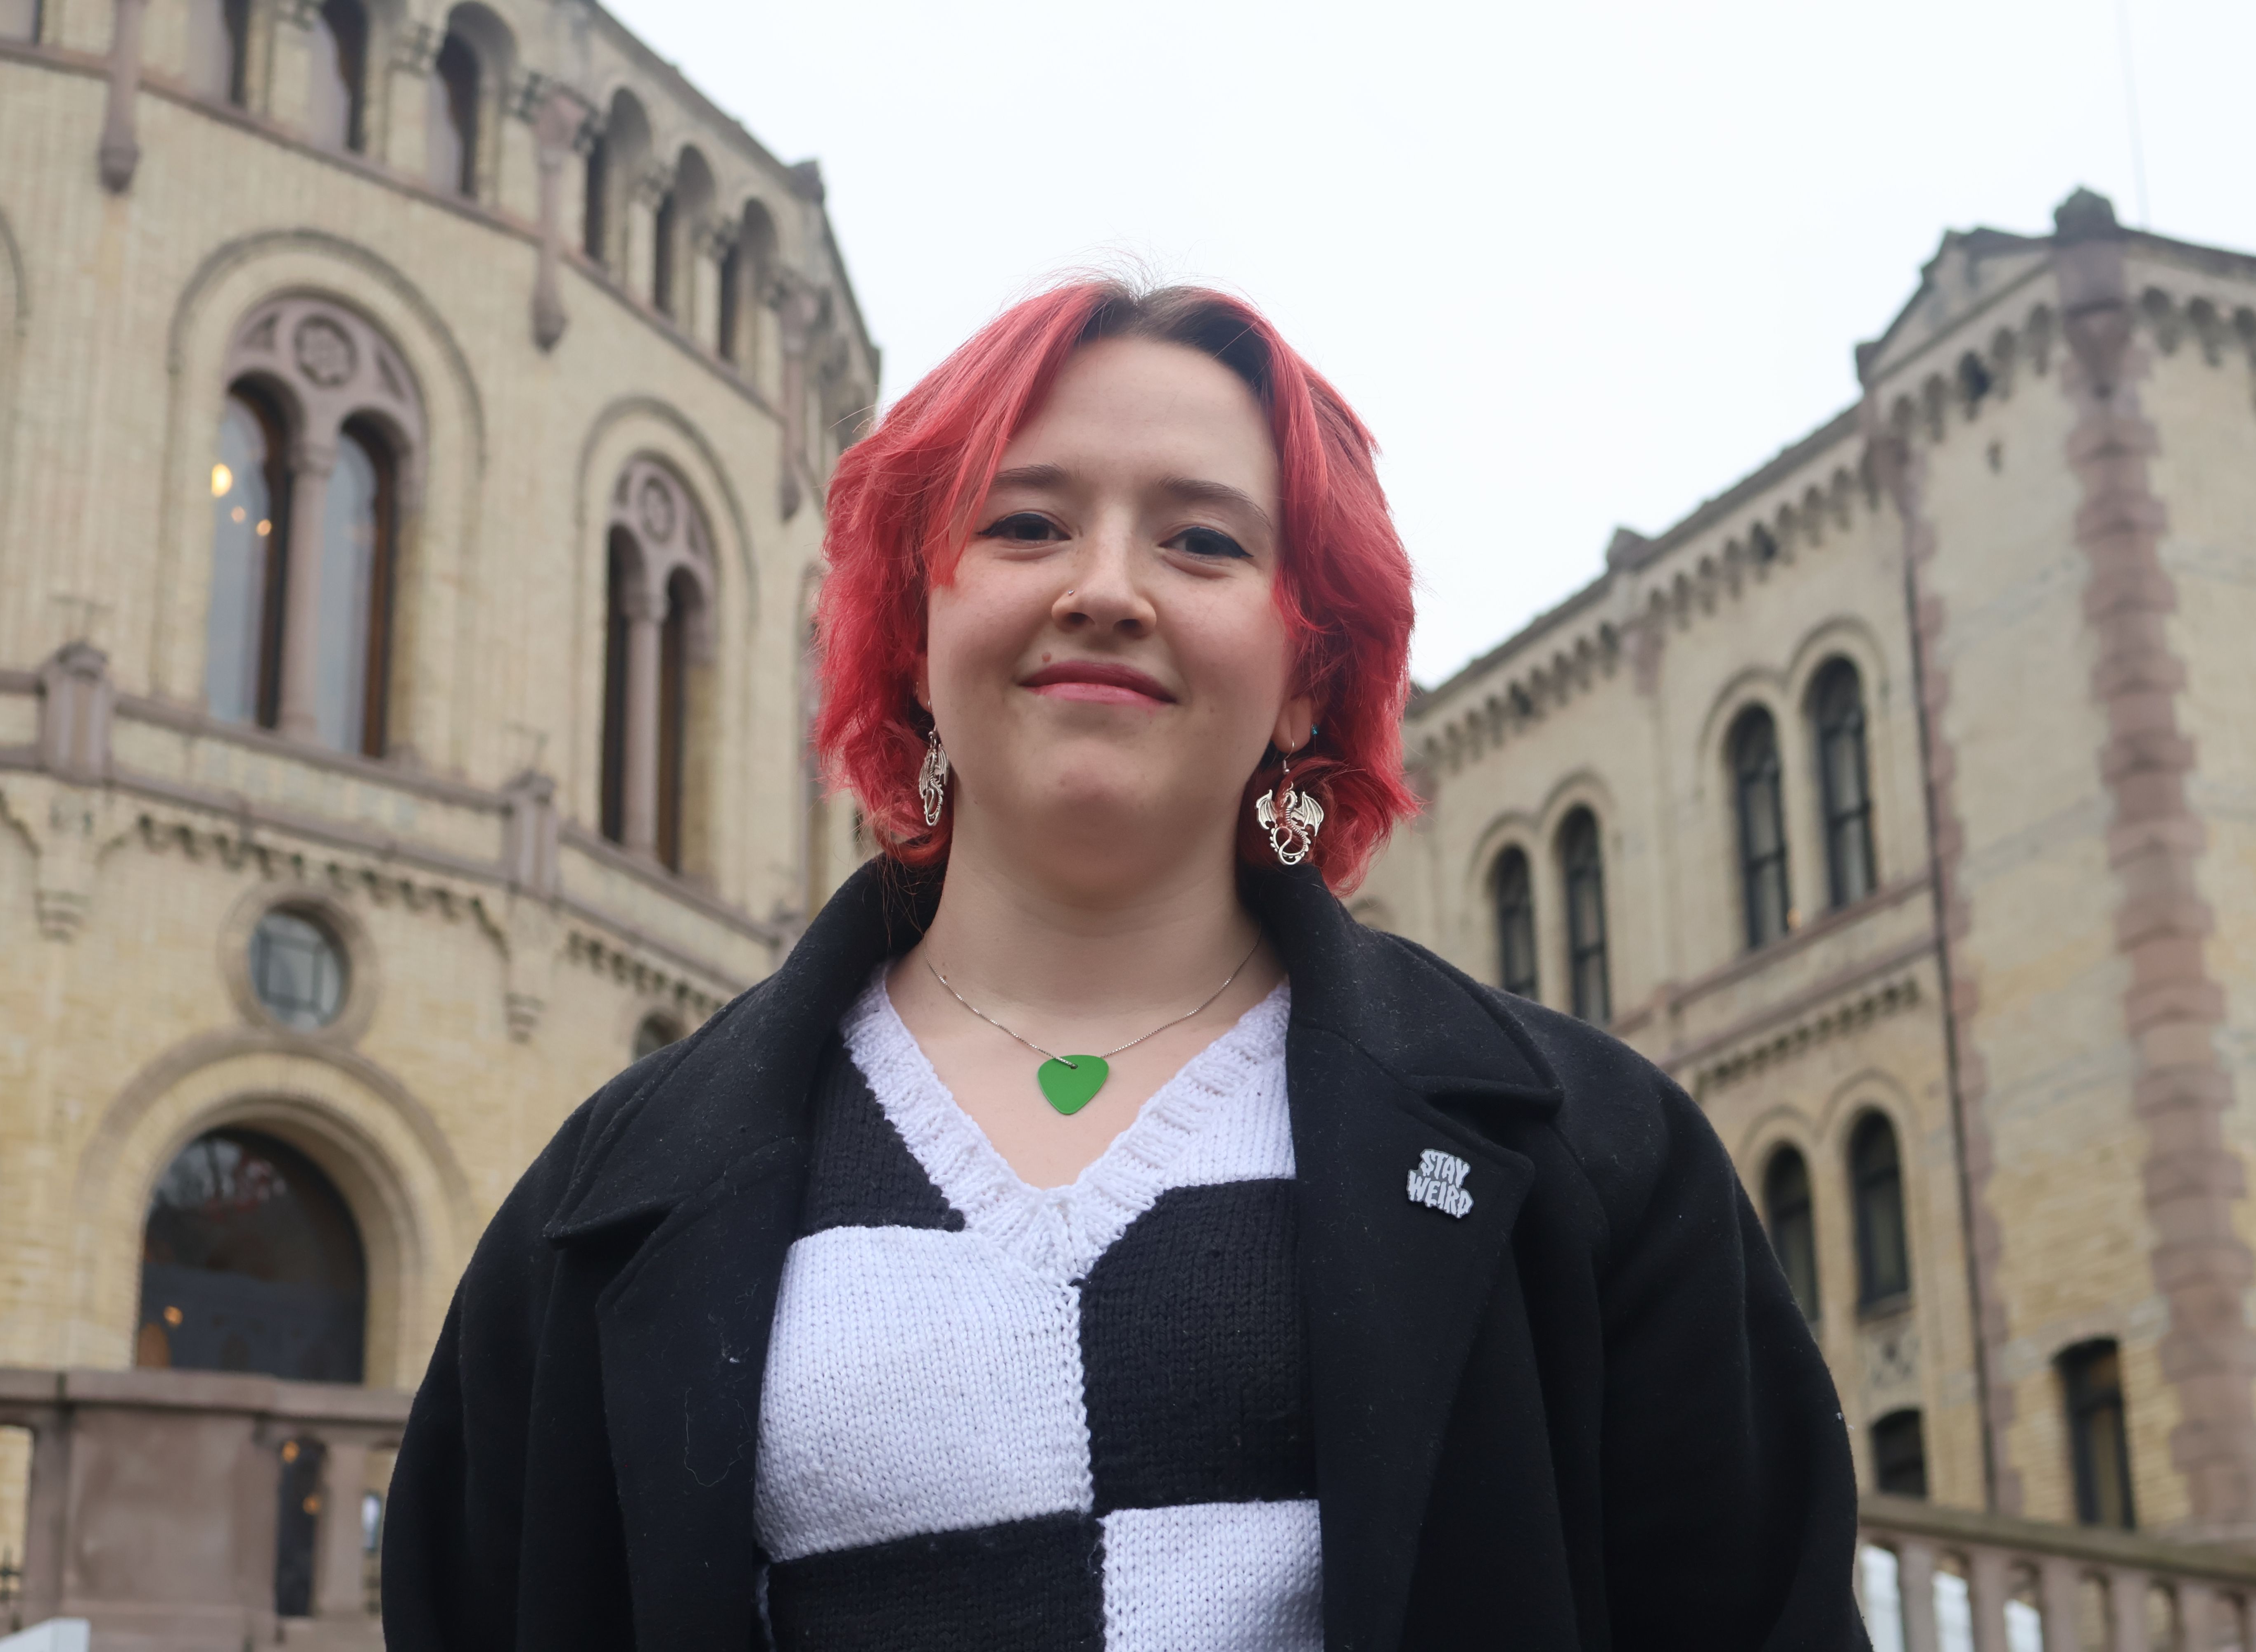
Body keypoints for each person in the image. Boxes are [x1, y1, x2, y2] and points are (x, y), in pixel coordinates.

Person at [381, 280, 1867, 1651]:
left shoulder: (1594, 1162)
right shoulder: (604, 1204)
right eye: (1026, 525)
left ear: (1309, 677)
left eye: (1203, 541)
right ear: (912, 634)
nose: (1106, 588)